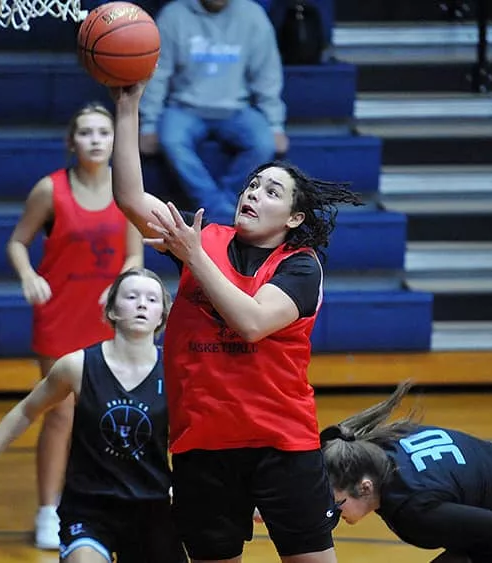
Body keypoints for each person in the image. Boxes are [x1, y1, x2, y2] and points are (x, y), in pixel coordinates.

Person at [109, 81, 362, 563]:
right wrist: (128, 106)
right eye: (252, 185)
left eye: (272, 191)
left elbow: (250, 322)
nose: (254, 194)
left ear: (293, 218)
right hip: (201, 444)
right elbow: (129, 198)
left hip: (281, 443)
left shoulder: (301, 265)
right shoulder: (203, 239)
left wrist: (191, 254)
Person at [0, 268, 186, 563]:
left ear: (162, 315)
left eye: (151, 299)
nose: (141, 304)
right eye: (131, 296)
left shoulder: (176, 371)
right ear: (112, 309)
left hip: (153, 507)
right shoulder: (77, 366)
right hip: (89, 508)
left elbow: (199, 434)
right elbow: (26, 410)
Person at [5, 102, 144, 549]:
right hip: (60, 312)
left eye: (105, 132)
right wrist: (28, 275)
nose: (97, 140)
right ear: (72, 141)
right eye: (86, 132)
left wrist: (122, 283)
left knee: (111, 412)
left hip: (110, 315)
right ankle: (49, 509)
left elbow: (135, 255)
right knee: (61, 412)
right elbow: (17, 242)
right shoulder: (50, 190)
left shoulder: (128, 193)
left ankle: (110, 501)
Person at [321, 381, 492, 563]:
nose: (331, 511)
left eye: (336, 502)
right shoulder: (378, 449)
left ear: (365, 487)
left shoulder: (414, 508)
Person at [139, 0, 289, 218]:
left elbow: (267, 75)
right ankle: (218, 209)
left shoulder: (252, 15)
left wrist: (275, 123)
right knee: (171, 139)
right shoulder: (173, 16)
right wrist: (149, 124)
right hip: (184, 107)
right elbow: (157, 75)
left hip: (236, 108)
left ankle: (226, 204)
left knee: (263, 142)